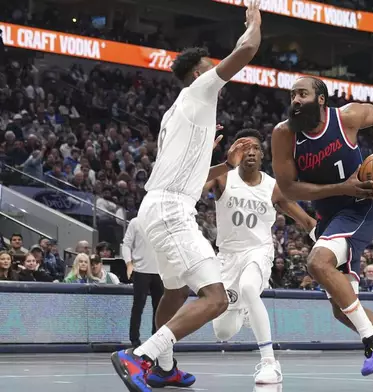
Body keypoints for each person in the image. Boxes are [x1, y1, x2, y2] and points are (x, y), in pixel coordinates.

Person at [110, 2, 262, 391]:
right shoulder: (200, 89)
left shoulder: (176, 113)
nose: (216, 71)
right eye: (210, 66)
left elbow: (189, 180)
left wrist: (223, 164)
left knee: (174, 291)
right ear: (199, 72)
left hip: (160, 206)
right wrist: (254, 18)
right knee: (216, 298)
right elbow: (246, 50)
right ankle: (140, 356)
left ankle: (164, 367)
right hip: (171, 210)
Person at [271, 76, 373, 389]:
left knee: (317, 264)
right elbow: (286, 188)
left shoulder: (346, 118)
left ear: (320, 100)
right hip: (330, 216)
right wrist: (337, 189)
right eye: (292, 95)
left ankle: (372, 341)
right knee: (342, 310)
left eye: (302, 93)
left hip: (360, 209)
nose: (295, 100)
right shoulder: (284, 134)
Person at [205, 129, 317, 384]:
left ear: (262, 154)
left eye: (255, 147)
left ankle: (270, 362)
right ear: (235, 152)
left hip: (259, 251)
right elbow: (194, 186)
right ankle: (245, 307)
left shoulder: (272, 186)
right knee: (222, 332)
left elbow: (305, 220)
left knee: (248, 287)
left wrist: (328, 239)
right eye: (243, 147)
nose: (250, 151)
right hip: (228, 258)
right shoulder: (223, 178)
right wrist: (218, 160)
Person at [122, 216, 164, 348]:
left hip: (160, 271)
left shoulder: (163, 223)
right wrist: (129, 263)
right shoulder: (135, 222)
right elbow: (126, 244)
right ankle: (134, 339)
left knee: (159, 307)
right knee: (138, 306)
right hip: (141, 270)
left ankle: (156, 337)